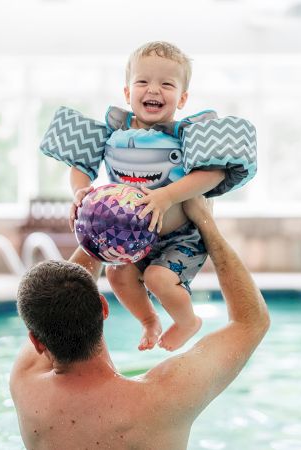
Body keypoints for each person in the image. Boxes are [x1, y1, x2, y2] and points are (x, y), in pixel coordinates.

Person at [10, 195, 270, 450]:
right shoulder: (163, 397)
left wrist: (101, 228)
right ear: (103, 307)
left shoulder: (25, 385)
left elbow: (54, 303)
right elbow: (251, 322)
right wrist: (205, 221)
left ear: (36, 341)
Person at [49, 41, 257, 352]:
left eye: (167, 84)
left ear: (183, 98)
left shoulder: (187, 136)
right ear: (127, 92)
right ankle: (148, 320)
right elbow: (79, 166)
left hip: (179, 237)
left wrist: (168, 196)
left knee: (159, 280)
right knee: (117, 274)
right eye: (143, 81)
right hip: (129, 238)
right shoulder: (111, 134)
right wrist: (80, 191)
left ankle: (187, 321)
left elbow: (214, 174)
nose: (154, 90)